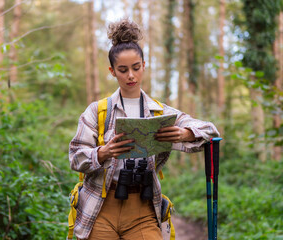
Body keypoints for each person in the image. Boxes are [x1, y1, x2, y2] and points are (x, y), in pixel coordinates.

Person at [69, 19, 219, 240]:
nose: (131, 75)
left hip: (142, 208)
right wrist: (104, 152)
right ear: (112, 71)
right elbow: (75, 158)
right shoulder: (97, 111)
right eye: (123, 70)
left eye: (136, 68)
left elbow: (210, 130)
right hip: (100, 208)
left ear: (144, 65)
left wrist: (184, 133)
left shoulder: (159, 112)